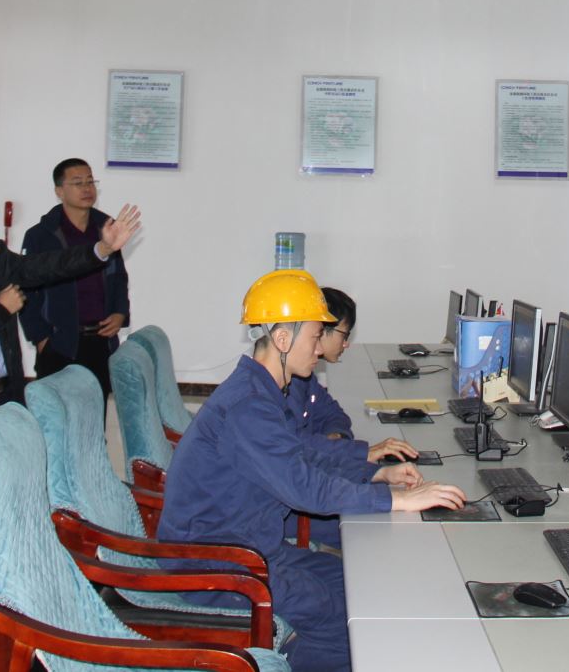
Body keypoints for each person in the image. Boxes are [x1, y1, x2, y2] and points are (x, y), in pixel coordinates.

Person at [158, 269, 465, 672]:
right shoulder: (249, 407)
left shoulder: (265, 392)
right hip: (216, 563)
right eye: (316, 337)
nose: (320, 348)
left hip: (252, 546)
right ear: (283, 340)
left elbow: (301, 453)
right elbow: (306, 489)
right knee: (342, 623)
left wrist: (373, 472)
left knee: (358, 583)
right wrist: (398, 500)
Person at [0, 179, 140, 647]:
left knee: (18, 500)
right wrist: (0, 311)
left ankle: (21, 605)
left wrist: (101, 249)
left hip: (3, 398)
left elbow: (46, 267)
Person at [283, 286, 419, 549]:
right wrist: (356, 454)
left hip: (309, 489)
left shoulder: (303, 378)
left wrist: (337, 441)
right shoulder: (281, 388)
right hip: (293, 513)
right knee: (381, 527)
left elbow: (334, 415)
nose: (346, 344)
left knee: (388, 515)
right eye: (344, 335)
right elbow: (298, 449)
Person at [19, 158, 130, 396]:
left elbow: (118, 277)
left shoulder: (106, 228)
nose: (87, 188)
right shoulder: (41, 235)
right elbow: (26, 289)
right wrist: (41, 338)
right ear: (59, 191)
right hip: (59, 342)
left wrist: (120, 312)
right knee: (56, 412)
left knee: (95, 412)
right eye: (78, 183)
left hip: (100, 339)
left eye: (90, 181)